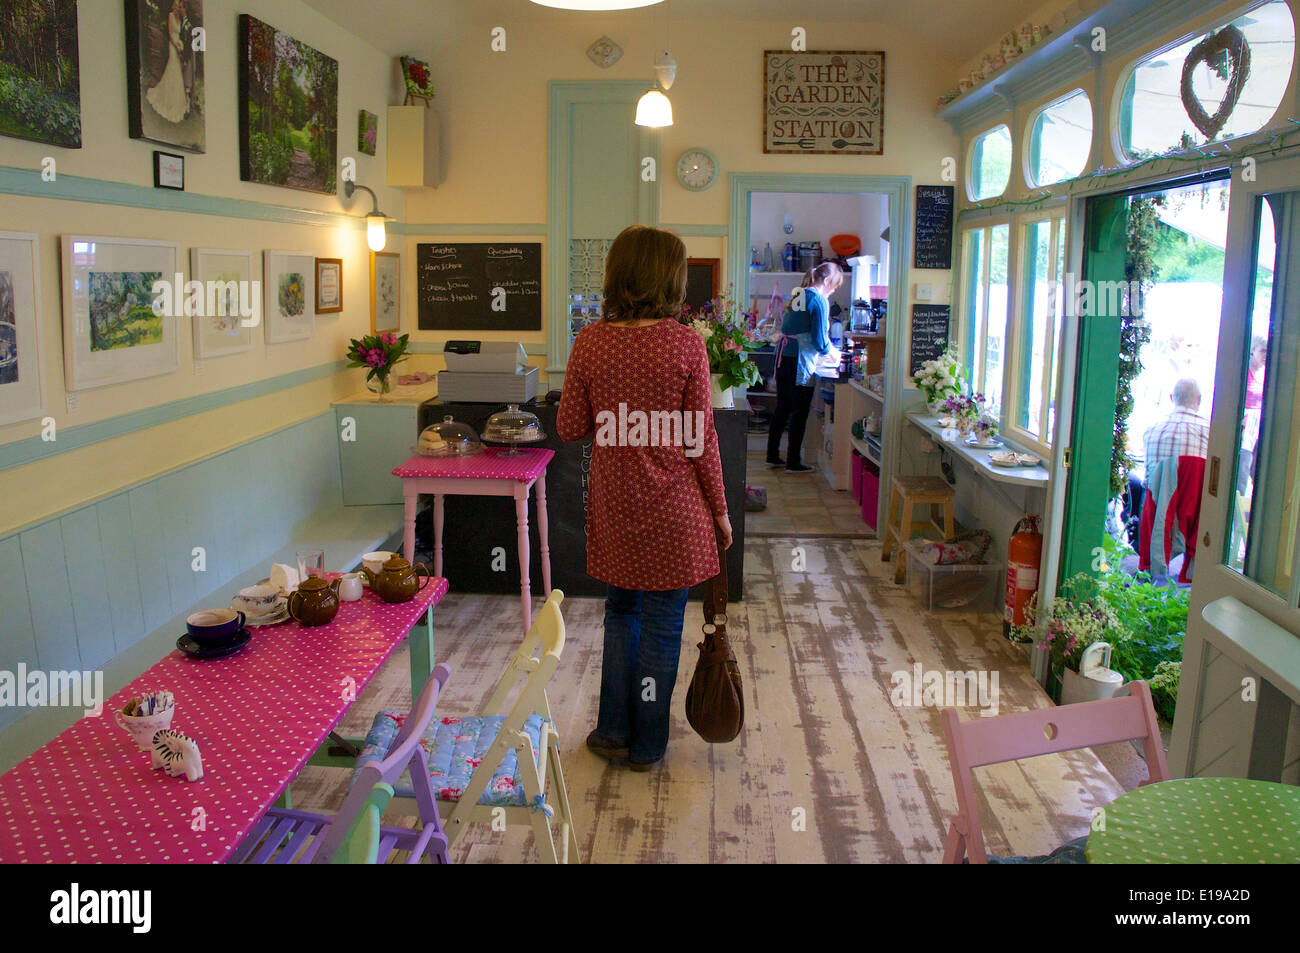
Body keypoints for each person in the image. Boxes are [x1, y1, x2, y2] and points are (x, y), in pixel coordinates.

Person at [556, 225, 732, 772]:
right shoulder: (685, 344)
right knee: (662, 625)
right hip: (674, 514)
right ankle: (649, 745)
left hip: (615, 510)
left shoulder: (590, 341)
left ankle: (612, 731)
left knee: (619, 614)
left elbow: (568, 426)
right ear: (670, 277)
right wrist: (722, 511)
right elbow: (700, 440)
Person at [765, 262, 843, 473]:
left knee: (782, 407)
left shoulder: (800, 293)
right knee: (799, 413)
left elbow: (793, 326)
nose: (833, 290)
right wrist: (835, 354)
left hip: (784, 357)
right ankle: (793, 462)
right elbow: (819, 340)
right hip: (800, 362)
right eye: (834, 286)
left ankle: (772, 455)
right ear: (827, 282)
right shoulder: (819, 300)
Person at [1142, 378, 1210, 479]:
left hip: (1155, 494)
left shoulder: (1151, 429)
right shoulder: (1208, 431)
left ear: (1171, 397)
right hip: (1192, 494)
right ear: (1199, 399)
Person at [146, 0, 190, 125]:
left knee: (178, 72)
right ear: (173, 6)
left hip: (179, 44)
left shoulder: (180, 18)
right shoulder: (171, 16)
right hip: (173, 45)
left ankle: (176, 101)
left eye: (178, 6)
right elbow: (171, 34)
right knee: (173, 67)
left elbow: (182, 33)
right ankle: (167, 99)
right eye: (175, 5)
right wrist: (176, 45)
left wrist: (181, 44)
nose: (177, 7)